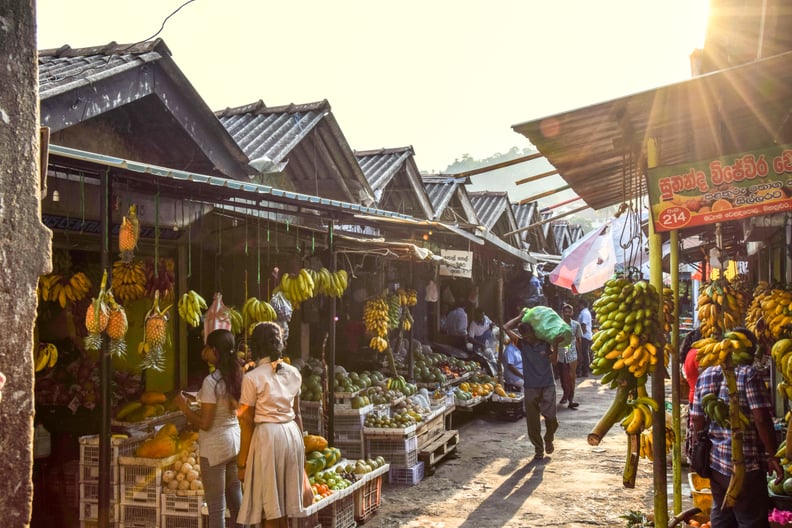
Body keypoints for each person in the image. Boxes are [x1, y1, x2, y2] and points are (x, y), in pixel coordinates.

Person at [690, 327, 783, 528]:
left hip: (715, 463)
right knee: (751, 520)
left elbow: (696, 418)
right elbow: (761, 418)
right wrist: (772, 455)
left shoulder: (706, 374)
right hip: (746, 464)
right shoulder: (748, 374)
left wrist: (702, 443)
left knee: (723, 516)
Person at [236, 322, 309, 528]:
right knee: (282, 505)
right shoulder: (294, 372)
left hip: (268, 439)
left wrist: (242, 463)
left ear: (255, 347)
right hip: (291, 435)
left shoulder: (252, 378)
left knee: (270, 507)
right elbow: (298, 414)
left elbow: (247, 422)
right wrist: (301, 449)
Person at [174, 329, 244, 528]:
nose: (203, 351)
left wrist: (183, 408)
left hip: (214, 447)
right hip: (233, 443)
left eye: (207, 347)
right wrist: (196, 397)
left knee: (216, 509)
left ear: (214, 351)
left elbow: (205, 423)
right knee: (236, 500)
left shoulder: (211, 381)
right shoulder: (234, 375)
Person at [503, 311, 560, 461]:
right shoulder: (522, 344)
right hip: (530, 387)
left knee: (551, 418)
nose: (527, 338)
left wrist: (556, 344)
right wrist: (520, 316)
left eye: (528, 335)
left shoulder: (545, 343)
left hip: (547, 384)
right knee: (532, 421)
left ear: (534, 332)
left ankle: (549, 437)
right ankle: (538, 449)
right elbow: (506, 328)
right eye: (524, 336)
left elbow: (554, 361)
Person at [557, 303, 582, 409]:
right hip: (561, 353)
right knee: (563, 377)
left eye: (569, 312)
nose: (567, 314)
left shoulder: (576, 325)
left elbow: (579, 340)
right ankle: (565, 394)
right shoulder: (558, 324)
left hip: (572, 353)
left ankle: (571, 399)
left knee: (572, 377)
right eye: (565, 312)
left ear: (572, 313)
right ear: (562, 313)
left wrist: (580, 354)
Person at [576, 299, 593, 378]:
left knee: (583, 353)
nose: (578, 306)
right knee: (584, 353)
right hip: (584, 336)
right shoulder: (584, 312)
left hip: (584, 336)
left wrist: (579, 335)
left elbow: (584, 326)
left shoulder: (585, 313)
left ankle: (585, 370)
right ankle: (583, 370)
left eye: (579, 304)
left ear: (582, 304)